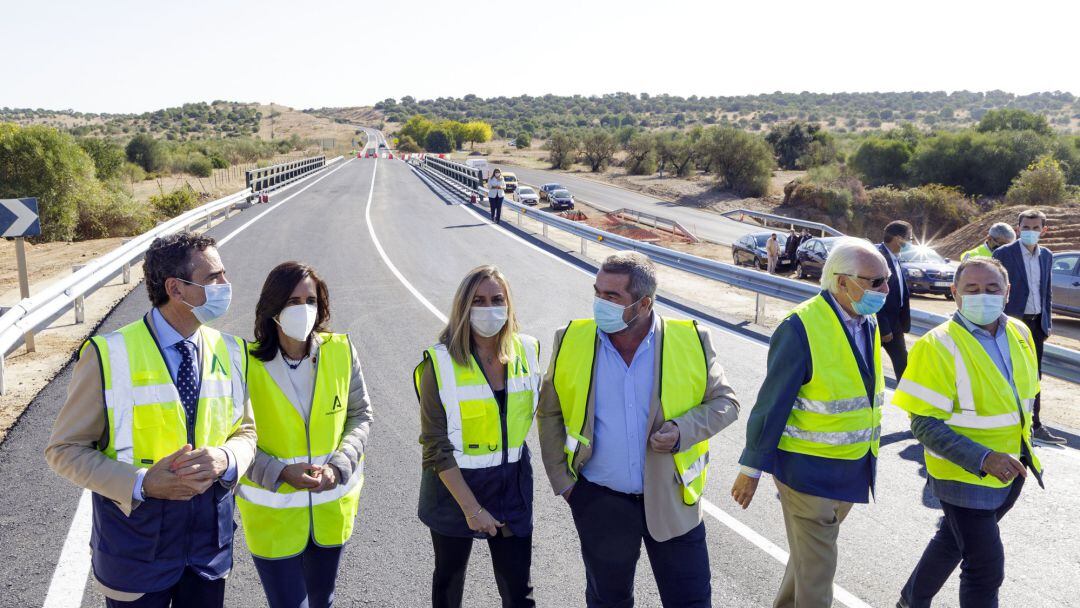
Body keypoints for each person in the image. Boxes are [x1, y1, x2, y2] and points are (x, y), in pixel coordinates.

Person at [45, 232, 256, 608]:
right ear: (176, 289)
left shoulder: (232, 350)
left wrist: (227, 459)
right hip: (135, 552)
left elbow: (246, 431)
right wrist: (142, 483)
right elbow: (64, 450)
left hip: (207, 551)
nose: (226, 285)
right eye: (214, 277)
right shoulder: (107, 355)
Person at [538, 251, 740, 607]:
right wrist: (565, 484)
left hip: (674, 501)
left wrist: (682, 430)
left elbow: (727, 403)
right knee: (608, 601)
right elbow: (549, 413)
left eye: (611, 297)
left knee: (691, 601)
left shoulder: (690, 339)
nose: (599, 303)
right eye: (597, 292)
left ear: (644, 304)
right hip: (600, 501)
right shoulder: (570, 339)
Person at [731, 237, 888, 608]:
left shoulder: (867, 320)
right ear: (841, 281)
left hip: (851, 470)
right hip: (807, 475)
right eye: (875, 281)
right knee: (818, 578)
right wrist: (750, 469)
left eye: (886, 280)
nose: (884, 289)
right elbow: (771, 404)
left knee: (807, 563)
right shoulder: (799, 328)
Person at [893, 257, 1043, 608]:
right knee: (985, 569)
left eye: (992, 289)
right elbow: (923, 423)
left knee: (950, 541)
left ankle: (910, 602)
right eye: (971, 289)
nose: (982, 296)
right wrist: (983, 458)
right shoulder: (937, 345)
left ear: (1008, 292)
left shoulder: (1020, 333)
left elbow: (1021, 400)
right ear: (955, 294)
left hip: (1010, 470)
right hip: (962, 474)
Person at [237, 262, 373, 608]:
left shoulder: (341, 351)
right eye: (292, 301)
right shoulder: (245, 363)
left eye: (310, 300)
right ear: (273, 308)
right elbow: (232, 437)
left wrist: (339, 467)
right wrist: (281, 472)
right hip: (274, 517)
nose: (303, 309)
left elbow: (360, 415)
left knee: (323, 601)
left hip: (330, 509)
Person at [414, 265, 541, 608]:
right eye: (479, 300)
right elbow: (435, 446)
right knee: (448, 585)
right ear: (464, 307)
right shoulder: (438, 364)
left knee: (519, 592)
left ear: (509, 304)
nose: (489, 308)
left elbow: (552, 412)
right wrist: (472, 509)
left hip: (510, 487)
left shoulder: (528, 352)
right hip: (454, 490)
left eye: (497, 299)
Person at [992, 209, 1064, 444]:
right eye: (1026, 227)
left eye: (1035, 228)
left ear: (1044, 230)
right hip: (1012, 323)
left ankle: (1035, 425)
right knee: (1009, 373)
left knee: (1034, 376)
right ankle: (1007, 422)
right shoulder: (1004, 253)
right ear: (1018, 229)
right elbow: (996, 289)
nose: (1030, 232)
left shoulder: (1047, 255)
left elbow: (1047, 291)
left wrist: (1047, 322)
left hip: (1036, 324)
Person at [878, 220, 913, 379]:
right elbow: (877, 293)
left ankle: (908, 402)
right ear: (899, 239)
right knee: (867, 364)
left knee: (904, 367)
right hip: (881, 324)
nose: (910, 242)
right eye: (909, 238)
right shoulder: (878, 258)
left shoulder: (895, 257)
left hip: (895, 323)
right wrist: (884, 328)